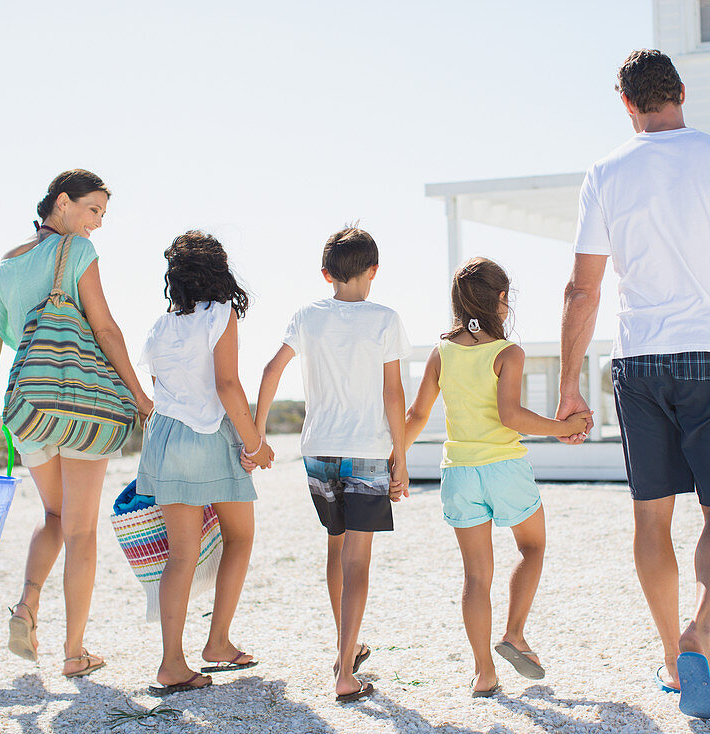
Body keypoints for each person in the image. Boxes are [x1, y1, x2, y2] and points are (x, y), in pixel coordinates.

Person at [556, 50, 710, 719]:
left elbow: (583, 289)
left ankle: (673, 656)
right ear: (681, 93)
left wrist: (568, 388)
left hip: (641, 362)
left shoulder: (606, 172)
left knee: (651, 516)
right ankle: (701, 630)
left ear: (626, 103)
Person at [0, 169, 153, 677]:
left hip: (27, 407)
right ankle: (74, 652)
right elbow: (104, 327)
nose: (97, 223)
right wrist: (139, 396)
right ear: (63, 203)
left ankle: (27, 606)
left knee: (54, 517)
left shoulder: (4, 270)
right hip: (78, 406)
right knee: (80, 530)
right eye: (93, 210)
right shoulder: (76, 252)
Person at [402, 258, 590, 697]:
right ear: (500, 300)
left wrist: (396, 460)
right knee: (532, 546)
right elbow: (511, 416)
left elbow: (415, 415)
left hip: (459, 474)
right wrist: (566, 427)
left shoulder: (440, 352)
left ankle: (484, 673)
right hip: (504, 469)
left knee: (475, 578)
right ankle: (515, 634)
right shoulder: (508, 353)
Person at [253, 225, 409, 703]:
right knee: (358, 560)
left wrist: (256, 434)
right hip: (366, 449)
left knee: (335, 548)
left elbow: (271, 369)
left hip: (318, 450)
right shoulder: (385, 318)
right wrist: (400, 457)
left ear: (326, 274)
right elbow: (392, 392)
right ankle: (345, 670)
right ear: (374, 271)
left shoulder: (307, 316)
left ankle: (349, 642)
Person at [136, 230, 274, 696]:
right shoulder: (220, 314)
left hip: (167, 437)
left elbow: (159, 387)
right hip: (210, 434)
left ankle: (171, 663)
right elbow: (228, 385)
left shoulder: (159, 326)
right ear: (218, 271)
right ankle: (216, 641)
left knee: (181, 555)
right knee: (240, 536)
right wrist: (255, 444)